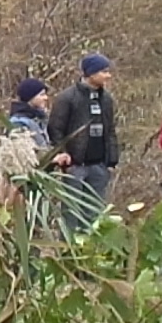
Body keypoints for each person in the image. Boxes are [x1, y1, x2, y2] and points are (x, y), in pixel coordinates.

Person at [47, 52, 119, 228]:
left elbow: (110, 130)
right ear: (91, 73)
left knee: (95, 213)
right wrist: (64, 155)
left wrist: (111, 160)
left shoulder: (106, 99)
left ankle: (91, 243)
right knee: (71, 212)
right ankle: (69, 243)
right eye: (104, 71)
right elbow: (55, 129)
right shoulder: (67, 98)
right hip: (75, 165)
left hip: (99, 165)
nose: (108, 76)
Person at [8, 78, 71, 167]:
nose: (46, 98)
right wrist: (51, 160)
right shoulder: (18, 123)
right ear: (30, 97)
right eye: (42, 95)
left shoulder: (40, 118)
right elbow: (22, 156)